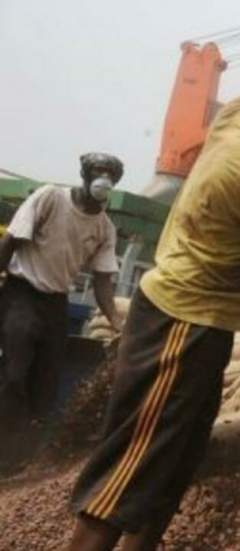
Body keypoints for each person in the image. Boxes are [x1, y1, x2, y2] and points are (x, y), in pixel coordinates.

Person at [65, 75, 240, 551]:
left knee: (174, 461)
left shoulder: (237, 115)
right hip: (182, 325)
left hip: (200, 322)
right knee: (133, 463)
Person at [0, 153, 124, 468]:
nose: (104, 179)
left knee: (46, 383)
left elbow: (103, 283)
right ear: (85, 174)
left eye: (111, 175)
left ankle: (23, 458)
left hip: (55, 303)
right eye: (99, 172)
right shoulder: (50, 197)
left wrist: (117, 323)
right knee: (14, 373)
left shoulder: (105, 228)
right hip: (22, 293)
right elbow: (10, 242)